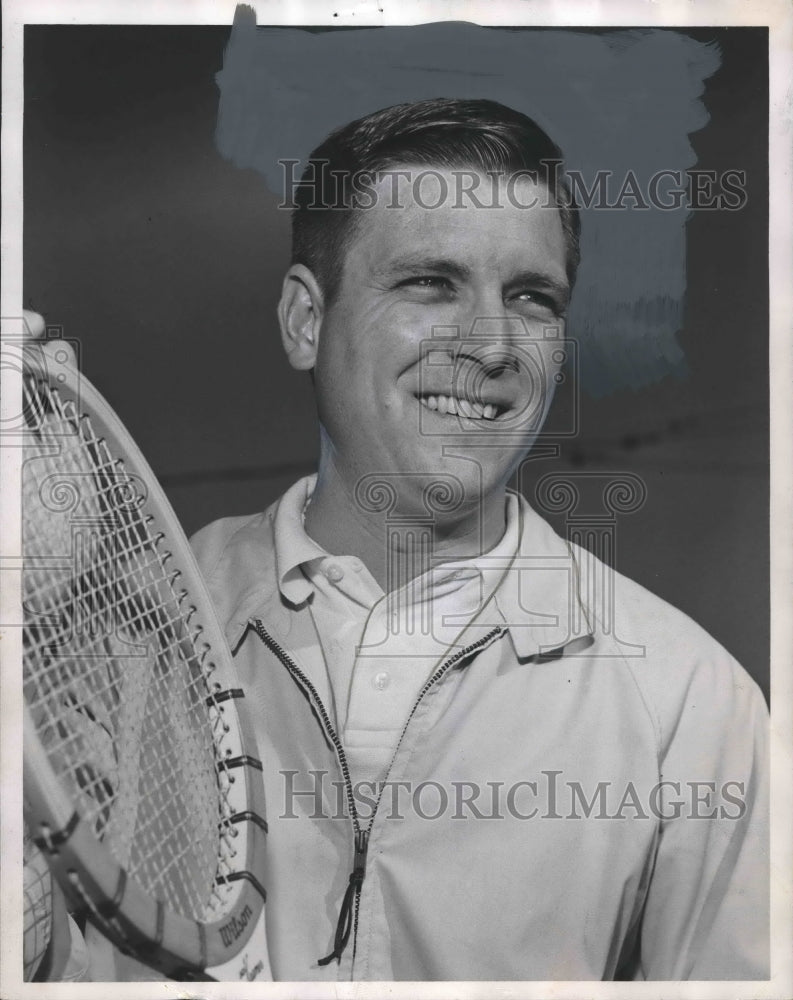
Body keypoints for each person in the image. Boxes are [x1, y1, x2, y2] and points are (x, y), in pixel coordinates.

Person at [28, 97, 769, 981]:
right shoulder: (122, 629)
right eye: (429, 282)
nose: (491, 344)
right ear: (306, 320)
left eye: (531, 297)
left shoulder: (690, 701)